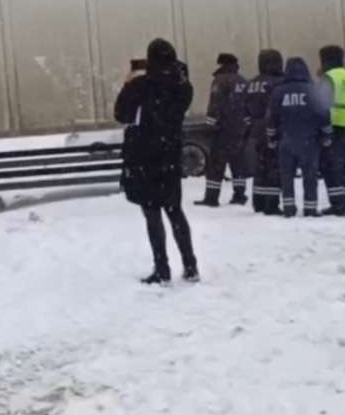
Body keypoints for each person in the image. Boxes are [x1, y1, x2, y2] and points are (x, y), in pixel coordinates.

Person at [115, 38, 200, 284]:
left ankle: (162, 268)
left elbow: (121, 114)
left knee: (152, 214)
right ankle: (190, 265)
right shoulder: (184, 88)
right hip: (170, 155)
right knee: (175, 211)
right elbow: (177, 81)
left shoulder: (141, 85)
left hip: (144, 156)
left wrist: (128, 84)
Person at [268, 57, 331, 218]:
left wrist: (272, 137)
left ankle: (289, 208)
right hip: (309, 141)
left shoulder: (278, 91)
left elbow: (272, 118)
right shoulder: (313, 90)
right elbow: (323, 115)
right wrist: (326, 134)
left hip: (286, 141)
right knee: (310, 176)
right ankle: (310, 208)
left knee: (286, 176)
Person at [196, 53, 251, 207]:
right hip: (239, 129)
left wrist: (209, 125)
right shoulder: (243, 81)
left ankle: (211, 198)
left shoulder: (220, 81)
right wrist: (246, 125)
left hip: (222, 130)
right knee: (237, 163)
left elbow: (215, 105)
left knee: (216, 164)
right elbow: (248, 106)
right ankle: (240, 195)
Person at [318, 45, 345, 216]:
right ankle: (342, 202)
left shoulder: (329, 77)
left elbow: (321, 104)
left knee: (329, 166)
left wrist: (321, 127)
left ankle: (336, 205)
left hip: (332, 123)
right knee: (341, 165)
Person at [244, 49, 286, 214]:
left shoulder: (252, 83)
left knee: (260, 167)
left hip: (255, 129)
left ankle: (258, 202)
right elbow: (278, 108)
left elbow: (244, 108)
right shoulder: (278, 82)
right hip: (272, 128)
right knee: (274, 166)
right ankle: (271, 204)